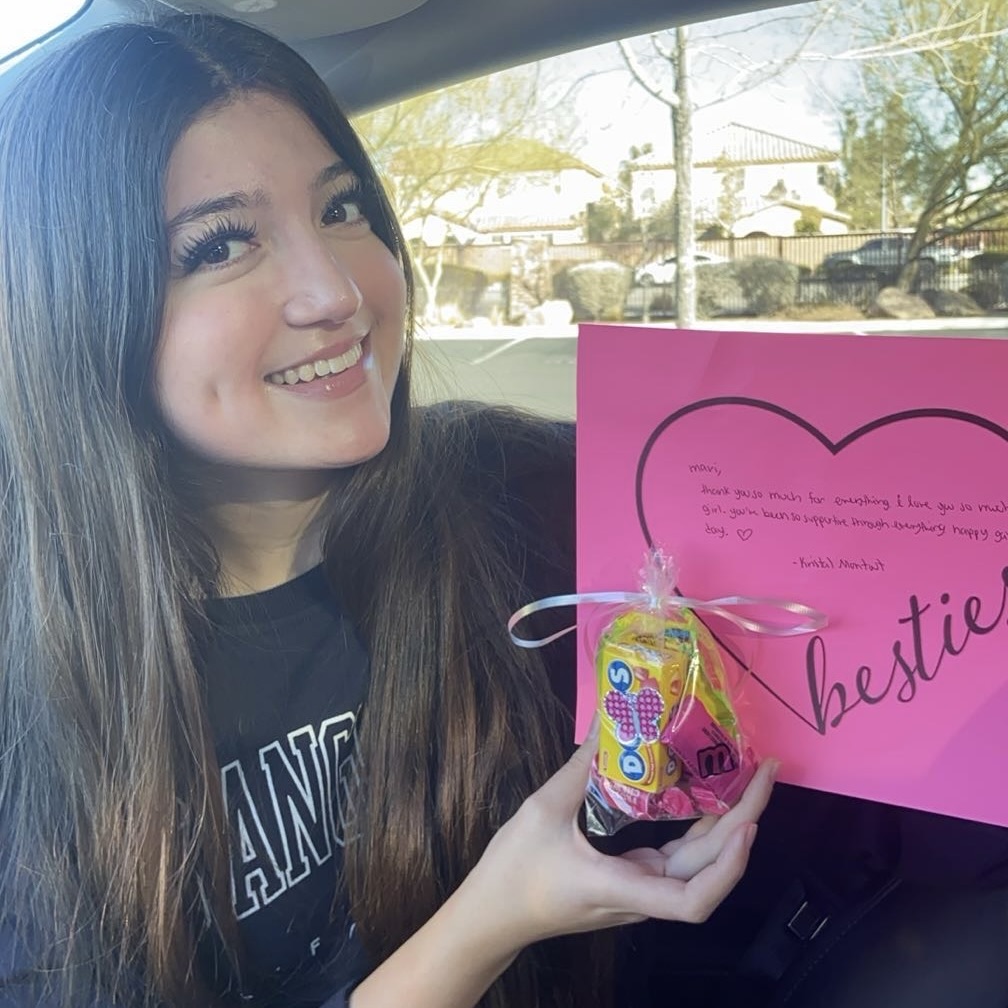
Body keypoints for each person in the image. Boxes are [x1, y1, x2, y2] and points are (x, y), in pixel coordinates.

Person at [0, 13, 777, 1008]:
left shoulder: (505, 495)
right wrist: (493, 918)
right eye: (223, 244)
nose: (336, 291)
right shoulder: (41, 693)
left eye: (342, 208)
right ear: (73, 305)